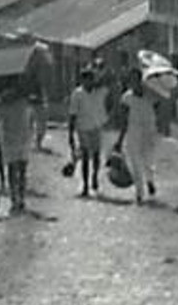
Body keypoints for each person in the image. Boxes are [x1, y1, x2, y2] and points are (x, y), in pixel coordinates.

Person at [113, 70, 160, 205]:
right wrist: (120, 139)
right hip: (133, 130)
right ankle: (139, 192)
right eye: (131, 80)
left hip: (149, 129)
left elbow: (158, 107)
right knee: (135, 162)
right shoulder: (127, 98)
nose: (134, 83)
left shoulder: (151, 94)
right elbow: (124, 119)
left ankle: (150, 180)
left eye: (136, 80)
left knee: (148, 158)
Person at [0, 84, 35, 214]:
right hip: (10, 139)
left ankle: (20, 198)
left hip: (22, 138)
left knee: (21, 170)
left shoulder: (23, 101)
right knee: (13, 169)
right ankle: (15, 198)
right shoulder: (2, 103)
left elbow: (31, 117)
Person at [66, 68, 110, 197]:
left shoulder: (99, 91)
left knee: (96, 155)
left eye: (91, 79)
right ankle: (85, 184)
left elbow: (109, 82)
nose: (88, 82)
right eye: (86, 79)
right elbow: (73, 113)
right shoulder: (77, 94)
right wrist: (71, 132)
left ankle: (94, 176)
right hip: (83, 127)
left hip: (96, 126)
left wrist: (98, 70)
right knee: (85, 156)